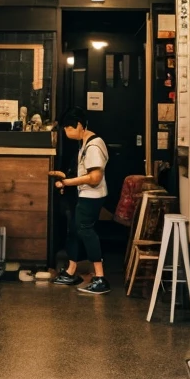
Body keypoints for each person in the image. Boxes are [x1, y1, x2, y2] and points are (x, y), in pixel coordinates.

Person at [49, 107, 110, 295]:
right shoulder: (85, 143)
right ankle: (72, 271)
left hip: (92, 196)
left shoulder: (93, 146)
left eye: (68, 128)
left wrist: (67, 182)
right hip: (85, 195)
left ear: (79, 126)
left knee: (86, 231)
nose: (66, 133)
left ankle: (100, 277)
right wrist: (66, 177)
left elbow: (94, 178)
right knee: (77, 231)